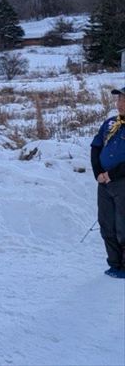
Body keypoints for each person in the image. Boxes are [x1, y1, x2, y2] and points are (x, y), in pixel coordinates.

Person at [90, 86, 125, 279]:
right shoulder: (110, 123)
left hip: (121, 181)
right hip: (104, 182)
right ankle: (114, 263)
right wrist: (98, 172)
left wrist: (113, 173)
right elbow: (96, 147)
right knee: (106, 223)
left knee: (123, 225)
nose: (119, 104)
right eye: (119, 99)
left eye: (124, 100)